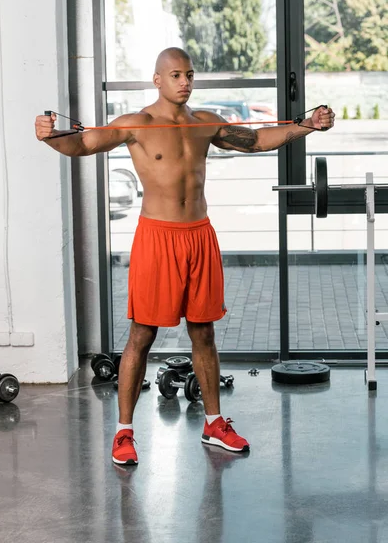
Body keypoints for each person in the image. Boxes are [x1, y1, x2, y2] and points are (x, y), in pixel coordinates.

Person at [35, 47, 335, 466]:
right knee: (142, 334)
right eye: (175, 74)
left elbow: (255, 140)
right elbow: (83, 142)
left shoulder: (204, 123)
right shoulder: (137, 124)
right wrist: (49, 135)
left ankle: (214, 424)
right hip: (157, 239)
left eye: (190, 74)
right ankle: (124, 433)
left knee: (204, 331)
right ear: (157, 79)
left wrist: (305, 126)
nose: (184, 82)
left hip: (199, 235)